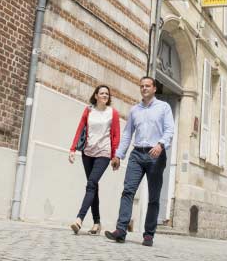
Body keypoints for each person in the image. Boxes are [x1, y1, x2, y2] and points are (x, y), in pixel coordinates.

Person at [104, 76, 174, 247]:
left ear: (154, 88)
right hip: (137, 154)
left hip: (155, 154)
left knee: (154, 196)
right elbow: (128, 133)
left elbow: (169, 130)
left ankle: (148, 235)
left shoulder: (163, 107)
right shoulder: (135, 109)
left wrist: (161, 144)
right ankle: (121, 230)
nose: (144, 88)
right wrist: (118, 155)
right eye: (142, 86)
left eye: (147, 86)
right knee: (128, 190)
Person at [68, 85, 120, 235]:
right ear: (96, 96)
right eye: (102, 93)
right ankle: (97, 222)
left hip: (103, 153)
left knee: (91, 184)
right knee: (94, 186)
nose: (105, 95)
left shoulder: (113, 113)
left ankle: (79, 219)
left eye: (107, 94)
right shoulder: (88, 110)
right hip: (88, 152)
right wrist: (72, 148)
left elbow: (116, 135)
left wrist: (115, 156)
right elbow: (80, 128)